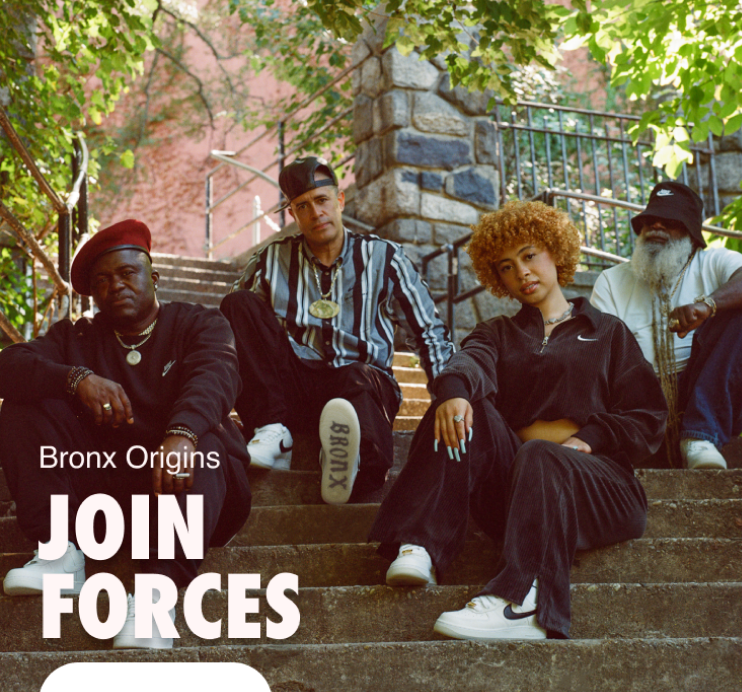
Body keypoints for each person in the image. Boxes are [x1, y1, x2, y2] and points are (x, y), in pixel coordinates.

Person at [368, 200, 668, 641]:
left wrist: (590, 438)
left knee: (542, 456)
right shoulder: (498, 333)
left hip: (599, 486)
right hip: (517, 488)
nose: (522, 272)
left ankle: (523, 602)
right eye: (507, 267)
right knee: (458, 403)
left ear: (554, 253)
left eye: (530, 256)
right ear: (499, 279)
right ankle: (419, 545)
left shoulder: (607, 332)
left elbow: (647, 415)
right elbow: (470, 362)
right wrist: (452, 392)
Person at [0, 219, 251, 649]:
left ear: (153, 276)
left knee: (208, 445)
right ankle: (60, 552)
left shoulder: (199, 324)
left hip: (185, 494)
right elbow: (9, 366)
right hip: (106, 505)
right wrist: (76, 379)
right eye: (101, 281)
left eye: (126, 273)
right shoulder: (77, 337)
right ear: (93, 294)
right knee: (24, 404)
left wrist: (183, 432)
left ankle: (155, 598)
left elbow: (216, 375)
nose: (115, 286)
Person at [221, 156, 453, 505]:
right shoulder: (271, 260)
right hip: (295, 389)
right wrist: (214, 410)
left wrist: (450, 395)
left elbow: (429, 331)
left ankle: (351, 462)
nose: (316, 213)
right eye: (303, 206)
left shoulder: (384, 256)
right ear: (293, 214)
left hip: (362, 386)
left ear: (340, 200)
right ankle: (275, 433)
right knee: (238, 304)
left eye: (322, 200)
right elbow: (226, 335)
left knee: (358, 376)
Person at [591, 181, 742, 470]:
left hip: (708, 390)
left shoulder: (715, 262)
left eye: (669, 221)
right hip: (640, 402)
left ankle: (700, 438)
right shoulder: (611, 280)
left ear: (691, 233)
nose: (656, 226)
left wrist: (709, 305)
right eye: (649, 220)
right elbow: (597, 357)